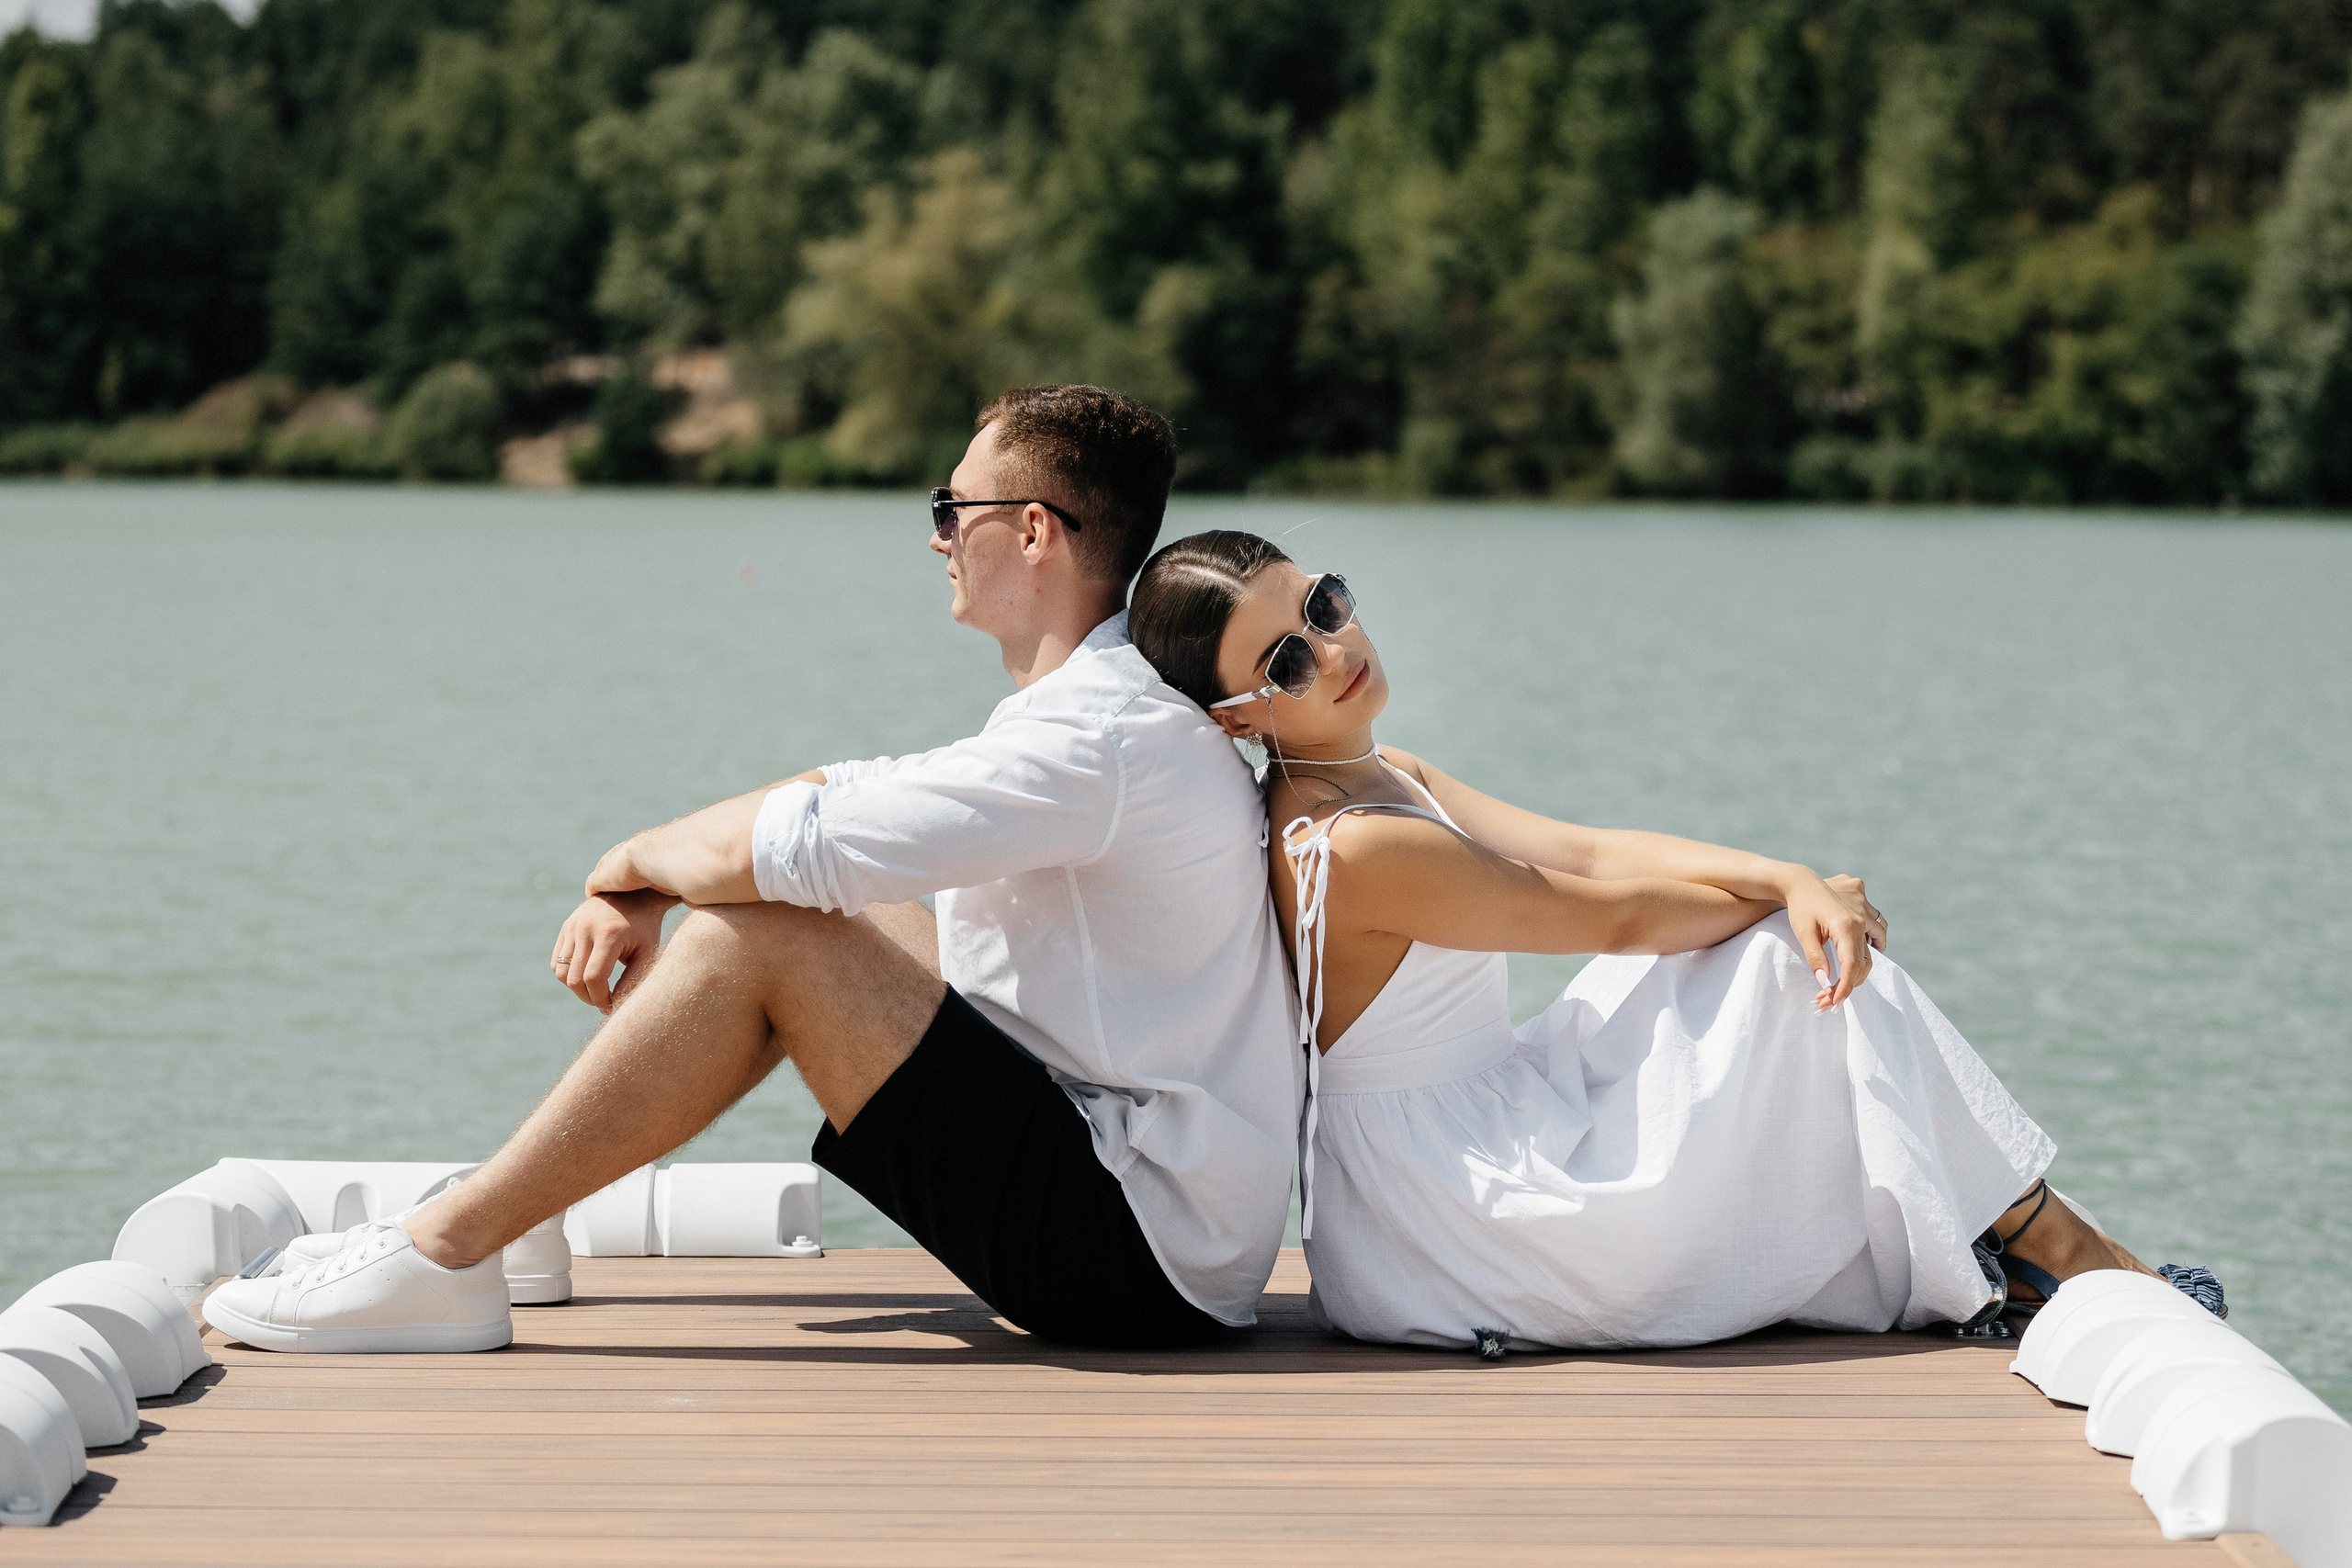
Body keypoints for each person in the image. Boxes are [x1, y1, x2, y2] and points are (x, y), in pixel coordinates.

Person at [201, 388, 1301, 1355]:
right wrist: (659, 876)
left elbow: (783, 852)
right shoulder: (1096, 710)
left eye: (947, 511)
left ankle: (442, 1256)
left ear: (1028, 531)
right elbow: (844, 786)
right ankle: (527, 1214)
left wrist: (625, 868)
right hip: (1159, 1219)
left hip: (1137, 1262)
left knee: (764, 931)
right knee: (846, 903)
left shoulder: (1093, 739)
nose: (935, 539)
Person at [1126, 529, 2224, 1353]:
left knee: (1788, 947)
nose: (1332, 648)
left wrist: (1788, 879)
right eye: (1284, 663)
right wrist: (1798, 904)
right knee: (1802, 963)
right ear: (1239, 722)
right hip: (1452, 1212)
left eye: (1324, 605)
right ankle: (2056, 1249)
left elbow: (1594, 852)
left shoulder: (1384, 770)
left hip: (1483, 1121)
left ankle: (2022, 1244)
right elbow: (1609, 916)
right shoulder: (1352, 842)